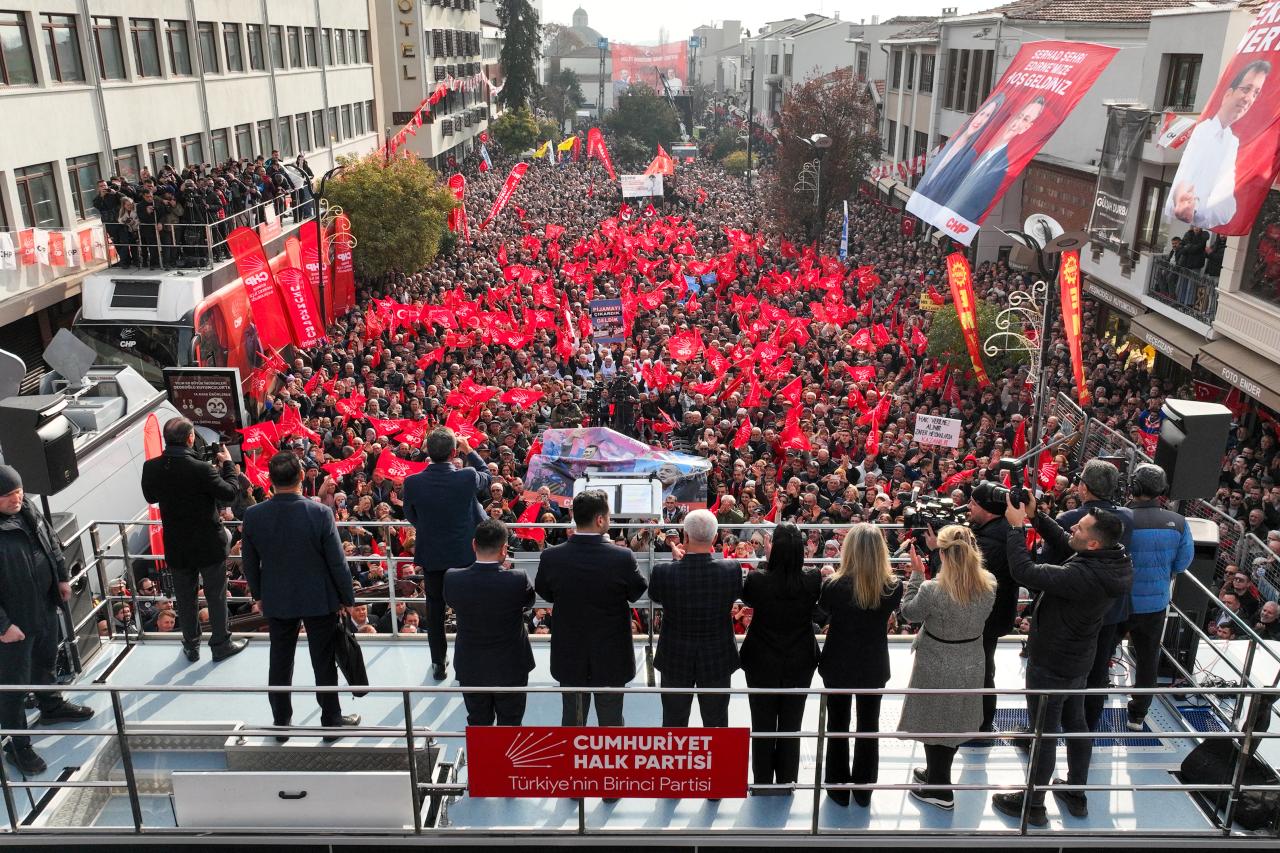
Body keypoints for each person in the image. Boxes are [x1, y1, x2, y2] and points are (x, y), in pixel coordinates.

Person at [995, 495, 1133, 825]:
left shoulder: (1082, 575)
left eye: (1082, 527)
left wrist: (1016, 529)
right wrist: (1036, 516)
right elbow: (1067, 540)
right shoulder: (1114, 560)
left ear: (1095, 542)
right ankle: (1075, 791)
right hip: (1078, 659)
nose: (1074, 526)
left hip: (1052, 662)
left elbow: (1024, 571)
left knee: (1044, 733)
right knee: (1076, 723)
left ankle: (1034, 804)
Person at [241, 452, 358, 742]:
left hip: (277, 598)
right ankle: (331, 722)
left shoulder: (253, 515)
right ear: (302, 477)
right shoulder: (319, 513)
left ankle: (281, 723)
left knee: (279, 660)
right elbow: (337, 561)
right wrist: (348, 598)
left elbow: (249, 561)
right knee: (324, 660)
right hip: (319, 598)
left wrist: (258, 595)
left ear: (270, 480)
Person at [0, 465, 95, 775]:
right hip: (13, 623)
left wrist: (62, 578)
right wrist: (2, 626)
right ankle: (18, 746)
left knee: (46, 660)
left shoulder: (27, 508)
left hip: (43, 605)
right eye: (9, 495)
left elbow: (51, 543)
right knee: (12, 688)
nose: (17, 498)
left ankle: (51, 705)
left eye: (19, 491)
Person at [1088, 464, 1192, 733]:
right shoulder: (1179, 523)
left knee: (1102, 656)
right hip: (1155, 605)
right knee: (1148, 660)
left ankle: (1093, 708)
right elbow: (1182, 563)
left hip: (1119, 603)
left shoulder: (1121, 519)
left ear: (1133, 487)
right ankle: (1138, 715)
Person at [897, 526, 995, 811]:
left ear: (943, 553)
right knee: (952, 722)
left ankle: (940, 788)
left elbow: (910, 613)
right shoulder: (989, 583)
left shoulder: (932, 589)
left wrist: (916, 575)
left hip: (937, 660)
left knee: (933, 722)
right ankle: (935, 773)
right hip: (971, 659)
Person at [535, 489, 647, 727]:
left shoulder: (552, 557)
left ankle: (571, 766)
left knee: (572, 724)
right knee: (612, 725)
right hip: (612, 658)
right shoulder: (622, 557)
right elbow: (637, 592)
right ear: (599, 519)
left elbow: (544, 592)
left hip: (569, 656)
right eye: (608, 516)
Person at [140, 417, 247, 664]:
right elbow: (230, 494)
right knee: (215, 595)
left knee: (186, 599)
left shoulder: (151, 467)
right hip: (208, 544)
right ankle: (220, 644)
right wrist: (228, 466)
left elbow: (150, 495)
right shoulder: (202, 468)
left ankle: (191, 646)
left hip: (178, 545)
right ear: (190, 438)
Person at [817, 524, 902, 806]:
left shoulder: (832, 586)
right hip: (873, 665)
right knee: (869, 725)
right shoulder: (892, 587)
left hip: (838, 663)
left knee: (837, 724)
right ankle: (864, 790)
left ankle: (838, 788)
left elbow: (823, 613)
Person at [403, 428, 492, 681]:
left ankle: (438, 663)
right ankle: (467, 662)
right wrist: (470, 450)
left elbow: (412, 516)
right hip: (464, 556)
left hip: (432, 555)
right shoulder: (466, 476)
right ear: (454, 452)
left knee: (435, 610)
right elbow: (487, 475)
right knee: (467, 610)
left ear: (427, 452)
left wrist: (429, 528)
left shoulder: (412, 482)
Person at [739, 522, 822, 794]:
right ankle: (786, 782)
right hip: (799, 659)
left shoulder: (757, 580)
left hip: (761, 658)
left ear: (773, 548)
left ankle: (762, 782)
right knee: (791, 722)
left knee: (762, 722)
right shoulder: (812, 579)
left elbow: (749, 600)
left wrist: (767, 558)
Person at [648, 509, 742, 728]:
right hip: (716, 657)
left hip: (675, 657)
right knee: (717, 723)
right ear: (716, 537)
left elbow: (655, 595)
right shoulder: (731, 569)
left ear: (685, 537)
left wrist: (674, 564)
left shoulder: (664, 572)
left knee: (673, 723)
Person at [444, 519, 535, 726]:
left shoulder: (453, 578)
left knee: (478, 723)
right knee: (511, 724)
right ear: (504, 549)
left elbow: (451, 601)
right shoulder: (518, 578)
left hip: (471, 665)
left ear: (474, 544)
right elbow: (528, 603)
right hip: (512, 666)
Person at [1167, 59, 1270, 228]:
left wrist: (1197, 205)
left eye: (1255, 93)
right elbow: (1184, 182)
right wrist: (1187, 199)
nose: (1249, 99)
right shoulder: (1203, 132)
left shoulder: (1231, 141)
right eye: (1246, 89)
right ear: (1228, 94)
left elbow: (1227, 209)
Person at [964, 482, 1016, 733]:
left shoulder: (989, 544)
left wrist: (936, 552)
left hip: (985, 618)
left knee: (981, 669)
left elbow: (962, 577)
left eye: (973, 503)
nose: (968, 507)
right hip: (992, 616)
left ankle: (981, 723)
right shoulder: (998, 531)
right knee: (983, 665)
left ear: (987, 509)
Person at [947, 96, 1047, 222]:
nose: (1016, 123)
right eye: (1019, 116)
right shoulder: (980, 148)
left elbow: (977, 204)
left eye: (1025, 119)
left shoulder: (1001, 167)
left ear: (1026, 127)